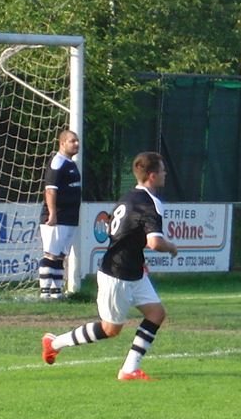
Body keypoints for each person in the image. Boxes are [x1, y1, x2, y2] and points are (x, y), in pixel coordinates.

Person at [40, 152, 180, 380]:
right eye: (162, 170)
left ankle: (129, 369)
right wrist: (172, 247)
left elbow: (124, 234)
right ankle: (54, 343)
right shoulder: (149, 203)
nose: (165, 173)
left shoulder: (128, 197)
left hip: (134, 271)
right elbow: (154, 242)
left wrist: (140, 260)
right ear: (153, 176)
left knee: (156, 313)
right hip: (117, 274)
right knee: (110, 329)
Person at [37, 129, 82, 300]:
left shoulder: (70, 163)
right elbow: (50, 190)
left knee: (61, 255)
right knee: (51, 253)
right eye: (72, 141)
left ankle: (56, 293)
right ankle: (45, 292)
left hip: (69, 217)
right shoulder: (57, 162)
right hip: (57, 217)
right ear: (62, 144)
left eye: (77, 141)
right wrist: (52, 213)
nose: (76, 144)